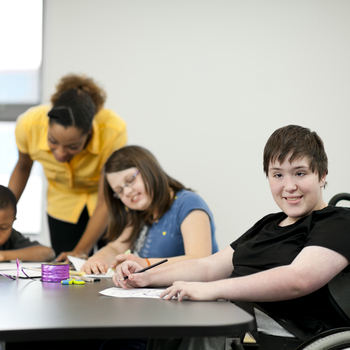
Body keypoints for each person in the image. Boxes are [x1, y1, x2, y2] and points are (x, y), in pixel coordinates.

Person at [114, 125, 350, 350]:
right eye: (277, 175)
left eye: (300, 173)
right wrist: (146, 276)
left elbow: (298, 279)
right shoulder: (268, 224)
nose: (289, 186)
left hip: (277, 337)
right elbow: (208, 266)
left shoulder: (338, 221)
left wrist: (214, 290)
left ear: (321, 175)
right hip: (229, 322)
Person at [8, 74, 127, 261]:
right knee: (66, 268)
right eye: (53, 142)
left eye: (73, 146)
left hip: (106, 202)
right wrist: (5, 210)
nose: (60, 153)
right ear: (47, 127)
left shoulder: (113, 130)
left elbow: (105, 200)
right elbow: (23, 168)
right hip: (62, 203)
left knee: (109, 266)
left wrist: (80, 251)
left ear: (88, 133)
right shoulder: (29, 124)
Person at [81, 145, 219, 275]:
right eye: (119, 191)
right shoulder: (138, 213)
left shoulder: (188, 202)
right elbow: (116, 248)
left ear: (149, 169)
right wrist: (96, 260)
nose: (127, 192)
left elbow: (200, 260)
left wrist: (145, 264)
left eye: (130, 180)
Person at [0, 185, 55, 262]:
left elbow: (48, 253)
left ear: (13, 221)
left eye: (3, 227)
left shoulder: (12, 238)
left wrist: (3, 255)